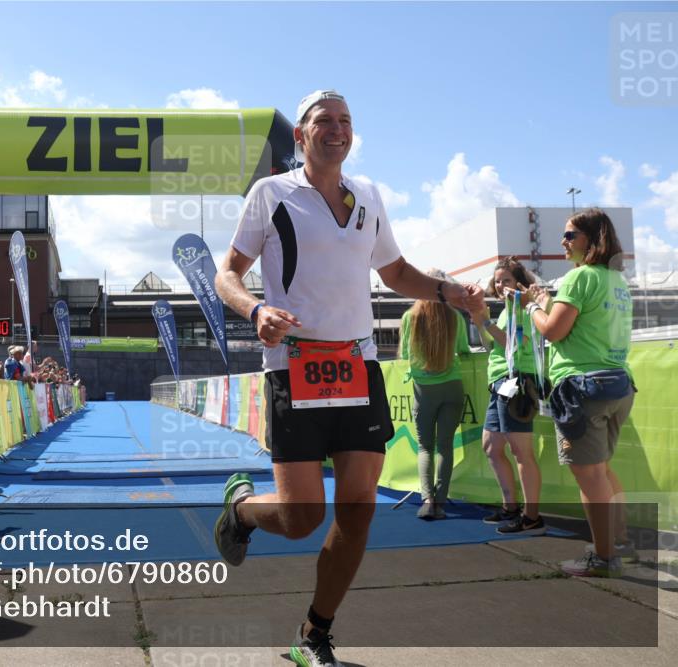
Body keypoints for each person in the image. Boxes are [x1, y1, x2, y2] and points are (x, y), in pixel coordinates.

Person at [213, 89, 484, 666]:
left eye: (345, 121)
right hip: (295, 367)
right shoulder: (271, 194)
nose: (337, 130)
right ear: (300, 136)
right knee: (301, 517)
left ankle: (313, 633)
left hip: (358, 367)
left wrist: (447, 291)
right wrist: (256, 310)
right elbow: (227, 274)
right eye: (323, 121)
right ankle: (241, 510)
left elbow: (395, 270)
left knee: (358, 507)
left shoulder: (369, 196)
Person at [522, 208, 636, 577]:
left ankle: (603, 558)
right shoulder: (616, 280)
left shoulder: (579, 279)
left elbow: (553, 331)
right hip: (618, 382)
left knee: (590, 479)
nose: (563, 241)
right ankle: (616, 541)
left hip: (582, 387)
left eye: (570, 235)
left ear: (592, 239)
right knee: (601, 471)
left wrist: (533, 308)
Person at [469, 258, 546, 536]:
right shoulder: (507, 310)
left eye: (507, 281)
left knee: (521, 452)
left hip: (517, 383)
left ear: (519, 283)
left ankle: (532, 517)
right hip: (501, 384)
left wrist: (485, 321)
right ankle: (511, 507)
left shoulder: (523, 308)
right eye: (498, 280)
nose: (501, 286)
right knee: (491, 446)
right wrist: (482, 323)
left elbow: (517, 343)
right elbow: (495, 346)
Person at [399, 269, 470, 520]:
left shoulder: (410, 317)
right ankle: (441, 500)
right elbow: (464, 349)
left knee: (425, 447)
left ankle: (427, 500)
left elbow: (405, 355)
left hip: (423, 390)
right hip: (452, 386)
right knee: (445, 446)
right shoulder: (455, 317)